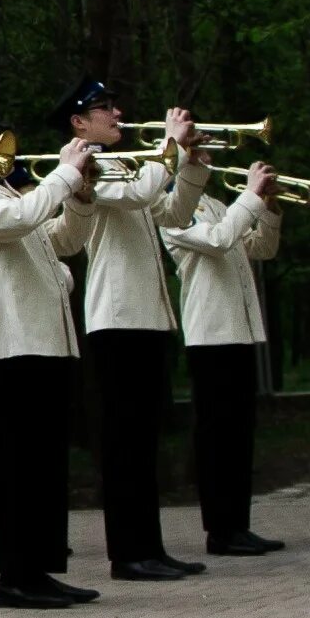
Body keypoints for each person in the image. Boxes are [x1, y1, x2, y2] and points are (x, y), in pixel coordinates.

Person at [48, 77, 213, 581]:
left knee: (143, 440)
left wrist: (194, 162)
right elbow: (143, 190)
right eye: (105, 108)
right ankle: (128, 553)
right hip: (115, 318)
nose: (117, 114)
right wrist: (171, 145)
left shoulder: (124, 162)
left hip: (144, 315)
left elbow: (173, 211)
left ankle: (150, 546)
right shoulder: (83, 164)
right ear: (79, 122)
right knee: (122, 442)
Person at [0, 98, 102, 609]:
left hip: (43, 340)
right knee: (17, 463)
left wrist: (80, 194)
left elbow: (65, 240)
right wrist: (62, 174)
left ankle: (41, 566)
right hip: (10, 344)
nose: (3, 150)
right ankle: (14, 575)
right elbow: (24, 217)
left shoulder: (14, 196)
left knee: (45, 462)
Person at [159, 162, 287, 557]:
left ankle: (239, 524)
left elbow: (261, 248)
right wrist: (250, 197)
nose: (204, 162)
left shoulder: (215, 203)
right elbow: (217, 240)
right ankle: (220, 530)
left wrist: (268, 207)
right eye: (194, 154)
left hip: (240, 328)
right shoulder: (171, 208)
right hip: (210, 331)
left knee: (239, 432)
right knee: (217, 435)